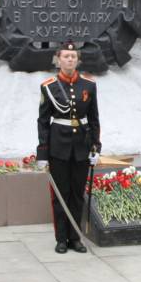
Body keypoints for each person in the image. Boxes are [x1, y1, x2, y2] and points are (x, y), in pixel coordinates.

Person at [37, 41, 100, 254]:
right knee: (60, 195)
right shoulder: (49, 86)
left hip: (82, 146)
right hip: (58, 148)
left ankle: (75, 237)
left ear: (78, 60)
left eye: (73, 57)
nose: (70, 59)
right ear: (58, 59)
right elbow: (43, 121)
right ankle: (61, 239)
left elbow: (94, 119)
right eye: (66, 56)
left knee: (77, 194)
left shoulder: (89, 85)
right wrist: (42, 153)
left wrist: (96, 147)